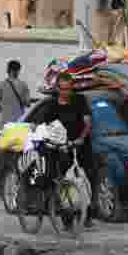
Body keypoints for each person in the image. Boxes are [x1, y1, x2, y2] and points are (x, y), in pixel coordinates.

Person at [45, 72, 96, 228]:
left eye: (68, 89)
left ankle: (87, 214)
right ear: (58, 89)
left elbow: (87, 122)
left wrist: (81, 138)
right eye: (63, 89)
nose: (66, 92)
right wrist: (54, 142)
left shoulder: (80, 100)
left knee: (86, 180)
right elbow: (47, 126)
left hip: (81, 147)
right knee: (63, 182)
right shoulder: (52, 105)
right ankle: (67, 218)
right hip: (62, 149)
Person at [0, 60, 30, 130]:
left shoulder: (0, 85)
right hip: (19, 120)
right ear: (18, 71)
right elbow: (27, 103)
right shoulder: (23, 85)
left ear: (8, 70)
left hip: (4, 121)